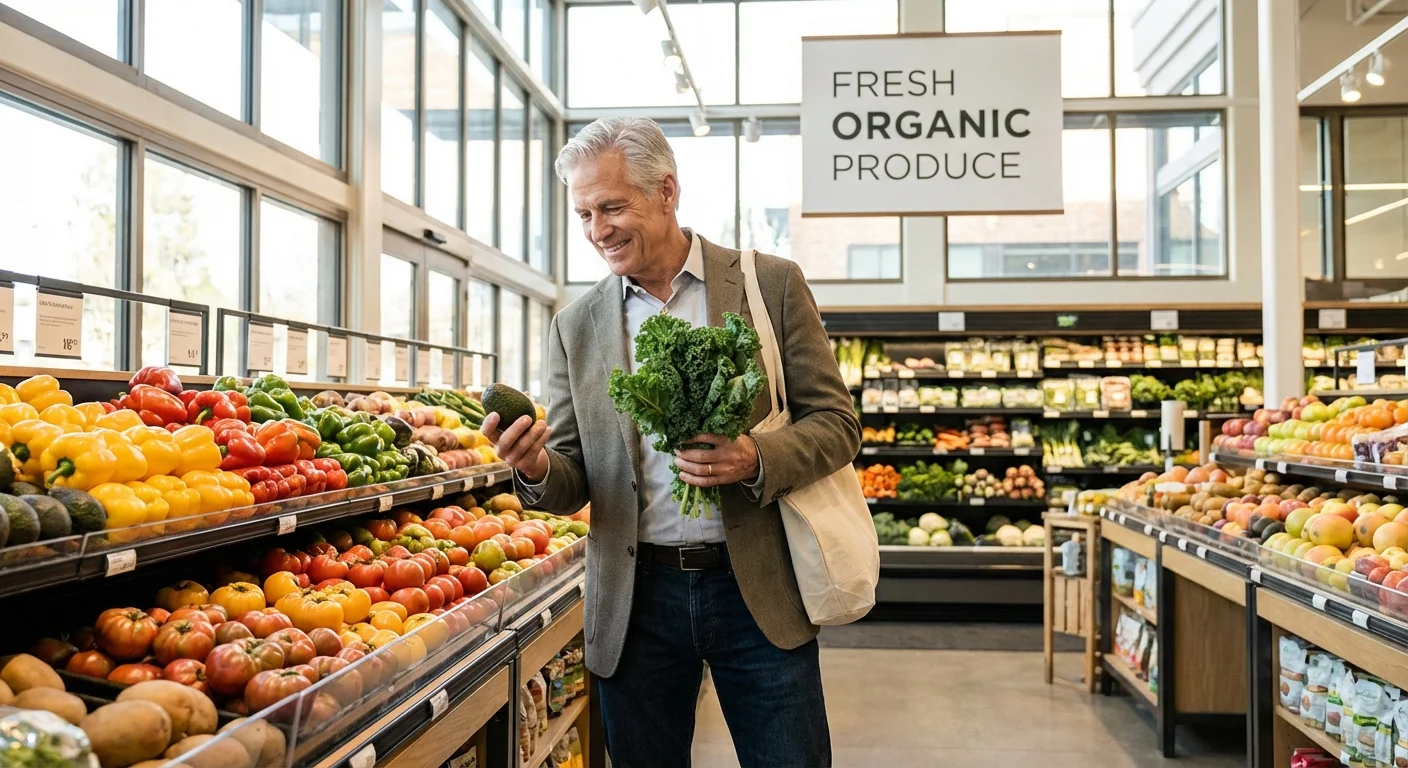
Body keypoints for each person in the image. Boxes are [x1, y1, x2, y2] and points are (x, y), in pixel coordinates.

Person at [482, 117, 860, 768]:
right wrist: (536, 464)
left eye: (611, 206)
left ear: (666, 190)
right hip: (636, 601)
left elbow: (836, 422)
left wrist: (755, 457)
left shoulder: (770, 285)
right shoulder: (577, 324)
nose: (598, 230)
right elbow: (571, 475)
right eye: (583, 215)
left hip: (759, 590)